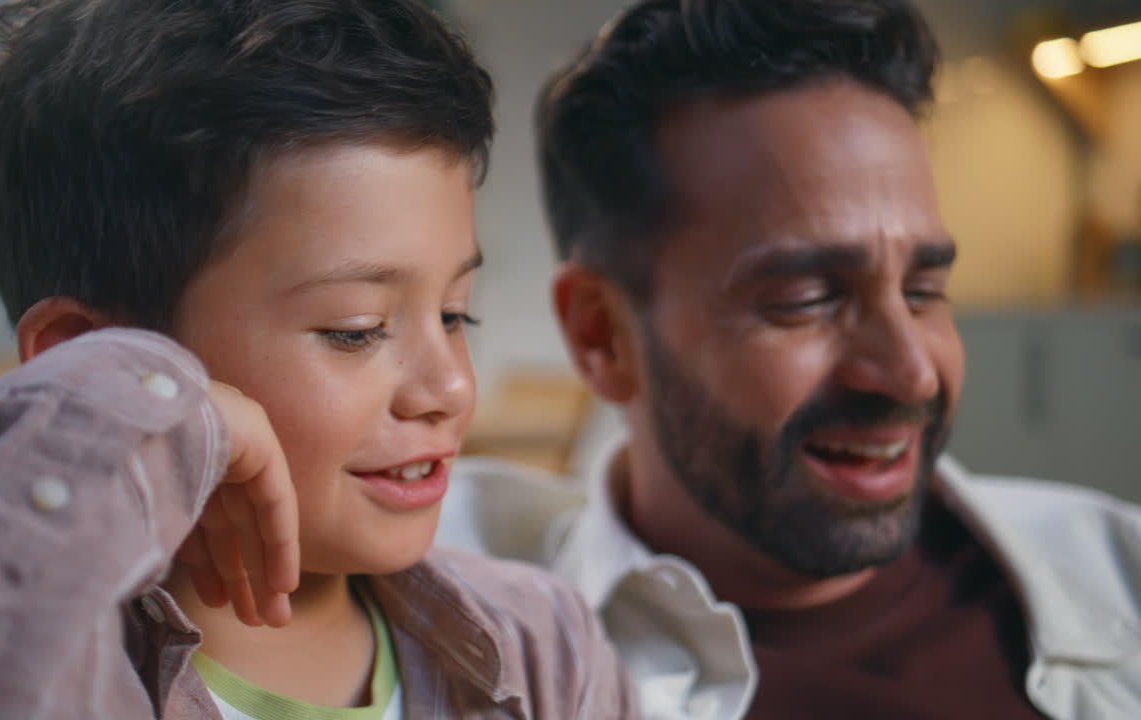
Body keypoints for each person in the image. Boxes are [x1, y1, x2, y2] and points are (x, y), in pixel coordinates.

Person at [0, 1, 634, 718]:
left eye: (455, 313)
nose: (451, 387)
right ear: (91, 356)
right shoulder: (48, 674)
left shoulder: (547, 649)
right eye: (356, 330)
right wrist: (150, 410)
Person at [438, 1, 1141, 718]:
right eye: (806, 300)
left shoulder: (1120, 571)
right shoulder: (469, 652)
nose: (912, 372)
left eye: (924, 291)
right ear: (602, 335)